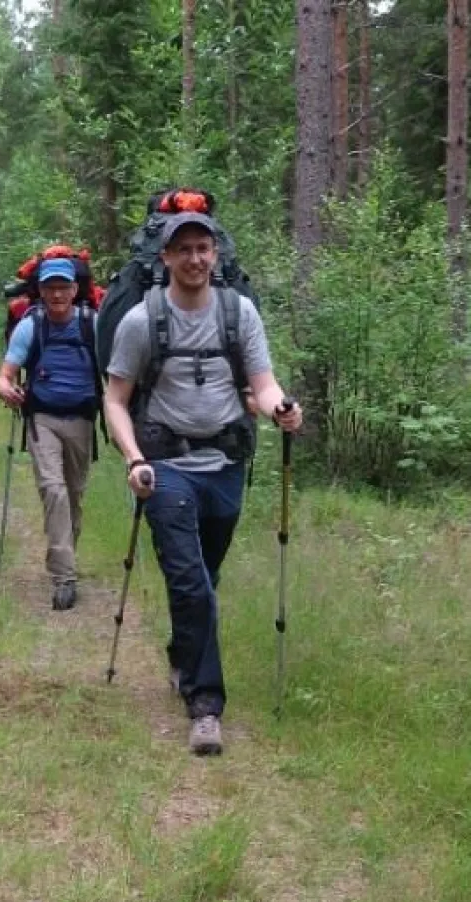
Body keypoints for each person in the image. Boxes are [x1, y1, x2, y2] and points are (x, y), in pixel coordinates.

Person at [102, 211, 302, 756]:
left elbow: (261, 384)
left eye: (203, 248)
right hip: (163, 466)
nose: (195, 258)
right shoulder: (141, 322)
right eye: (183, 249)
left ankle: (181, 654)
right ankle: (206, 706)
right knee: (190, 581)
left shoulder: (240, 315)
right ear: (164, 258)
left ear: (215, 256)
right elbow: (115, 399)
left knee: (204, 578)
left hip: (226, 462)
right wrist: (133, 457)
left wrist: (280, 408)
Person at [0, 256, 101, 611]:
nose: (57, 293)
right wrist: (6, 389)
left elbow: (118, 371)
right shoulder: (30, 327)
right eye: (50, 287)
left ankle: (65, 552)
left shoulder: (91, 325)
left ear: (74, 290)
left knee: (73, 495)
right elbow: (4, 375)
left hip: (83, 419)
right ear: (40, 291)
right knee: (53, 491)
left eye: (63, 287)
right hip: (42, 419)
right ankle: (64, 578)